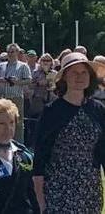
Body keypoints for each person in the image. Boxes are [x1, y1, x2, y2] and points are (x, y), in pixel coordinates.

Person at [32, 52, 105, 214]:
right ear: (64, 77)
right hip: (58, 188)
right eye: (74, 72)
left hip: (90, 188)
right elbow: (40, 155)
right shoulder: (52, 111)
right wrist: (40, 199)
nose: (80, 76)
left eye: (84, 72)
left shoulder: (98, 109)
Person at [0, 43, 31, 142]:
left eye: (12, 52)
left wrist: (17, 81)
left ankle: (18, 143)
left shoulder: (23, 66)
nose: (10, 54)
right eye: (8, 52)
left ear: (17, 52)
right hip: (2, 97)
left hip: (16, 97)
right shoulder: (1, 66)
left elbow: (29, 80)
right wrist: (2, 80)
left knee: (17, 121)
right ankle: (2, 140)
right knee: (1, 120)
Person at [26, 53, 56, 148]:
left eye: (48, 60)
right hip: (38, 101)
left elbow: (58, 86)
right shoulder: (35, 73)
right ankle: (34, 145)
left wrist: (52, 85)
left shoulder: (55, 73)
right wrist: (39, 83)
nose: (46, 62)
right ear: (40, 61)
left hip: (51, 100)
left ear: (51, 62)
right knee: (35, 124)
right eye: (44, 60)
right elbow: (30, 85)